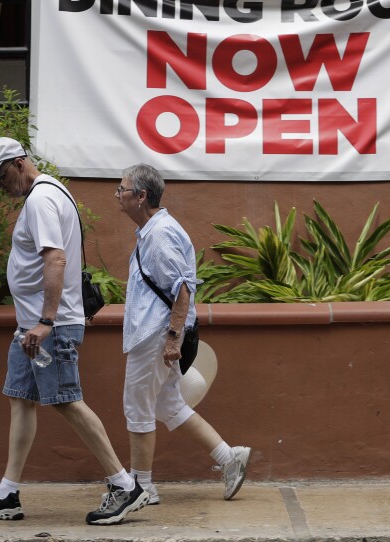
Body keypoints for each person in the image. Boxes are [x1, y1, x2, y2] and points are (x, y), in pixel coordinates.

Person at [0, 137, 149, 525]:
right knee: (21, 398)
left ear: (18, 164)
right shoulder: (49, 190)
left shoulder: (41, 200)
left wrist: (46, 321)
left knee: (66, 400)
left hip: (47, 327)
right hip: (31, 327)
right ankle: (6, 494)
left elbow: (56, 258)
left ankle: (124, 486)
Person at [116, 163, 251, 504]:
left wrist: (173, 337)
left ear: (141, 196)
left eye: (122, 189)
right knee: (169, 404)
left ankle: (142, 486)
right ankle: (228, 457)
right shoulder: (153, 230)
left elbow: (182, 290)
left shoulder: (159, 234)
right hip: (158, 333)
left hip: (156, 334)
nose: (117, 195)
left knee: (138, 407)